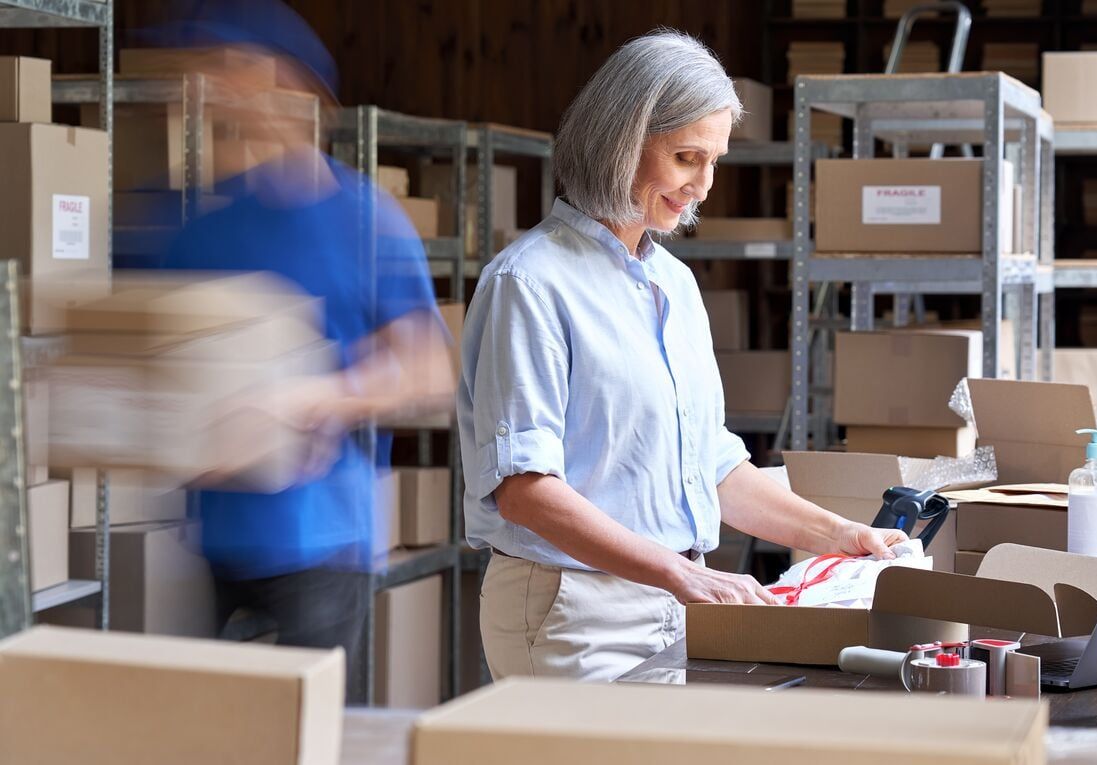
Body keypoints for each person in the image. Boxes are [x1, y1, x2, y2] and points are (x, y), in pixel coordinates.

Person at [457, 29, 907, 684]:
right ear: (620, 140)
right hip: (573, 609)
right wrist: (681, 571)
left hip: (671, 600)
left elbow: (713, 464)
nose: (703, 185)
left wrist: (836, 533)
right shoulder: (529, 284)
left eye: (715, 160)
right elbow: (525, 490)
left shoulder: (673, 284)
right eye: (686, 157)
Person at [140, 1, 453, 691]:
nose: (209, 88)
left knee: (308, 737)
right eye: (201, 72)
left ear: (292, 84)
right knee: (215, 731)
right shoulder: (201, 229)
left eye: (229, 69)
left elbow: (429, 366)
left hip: (321, 544)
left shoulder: (362, 218)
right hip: (215, 539)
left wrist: (318, 397)